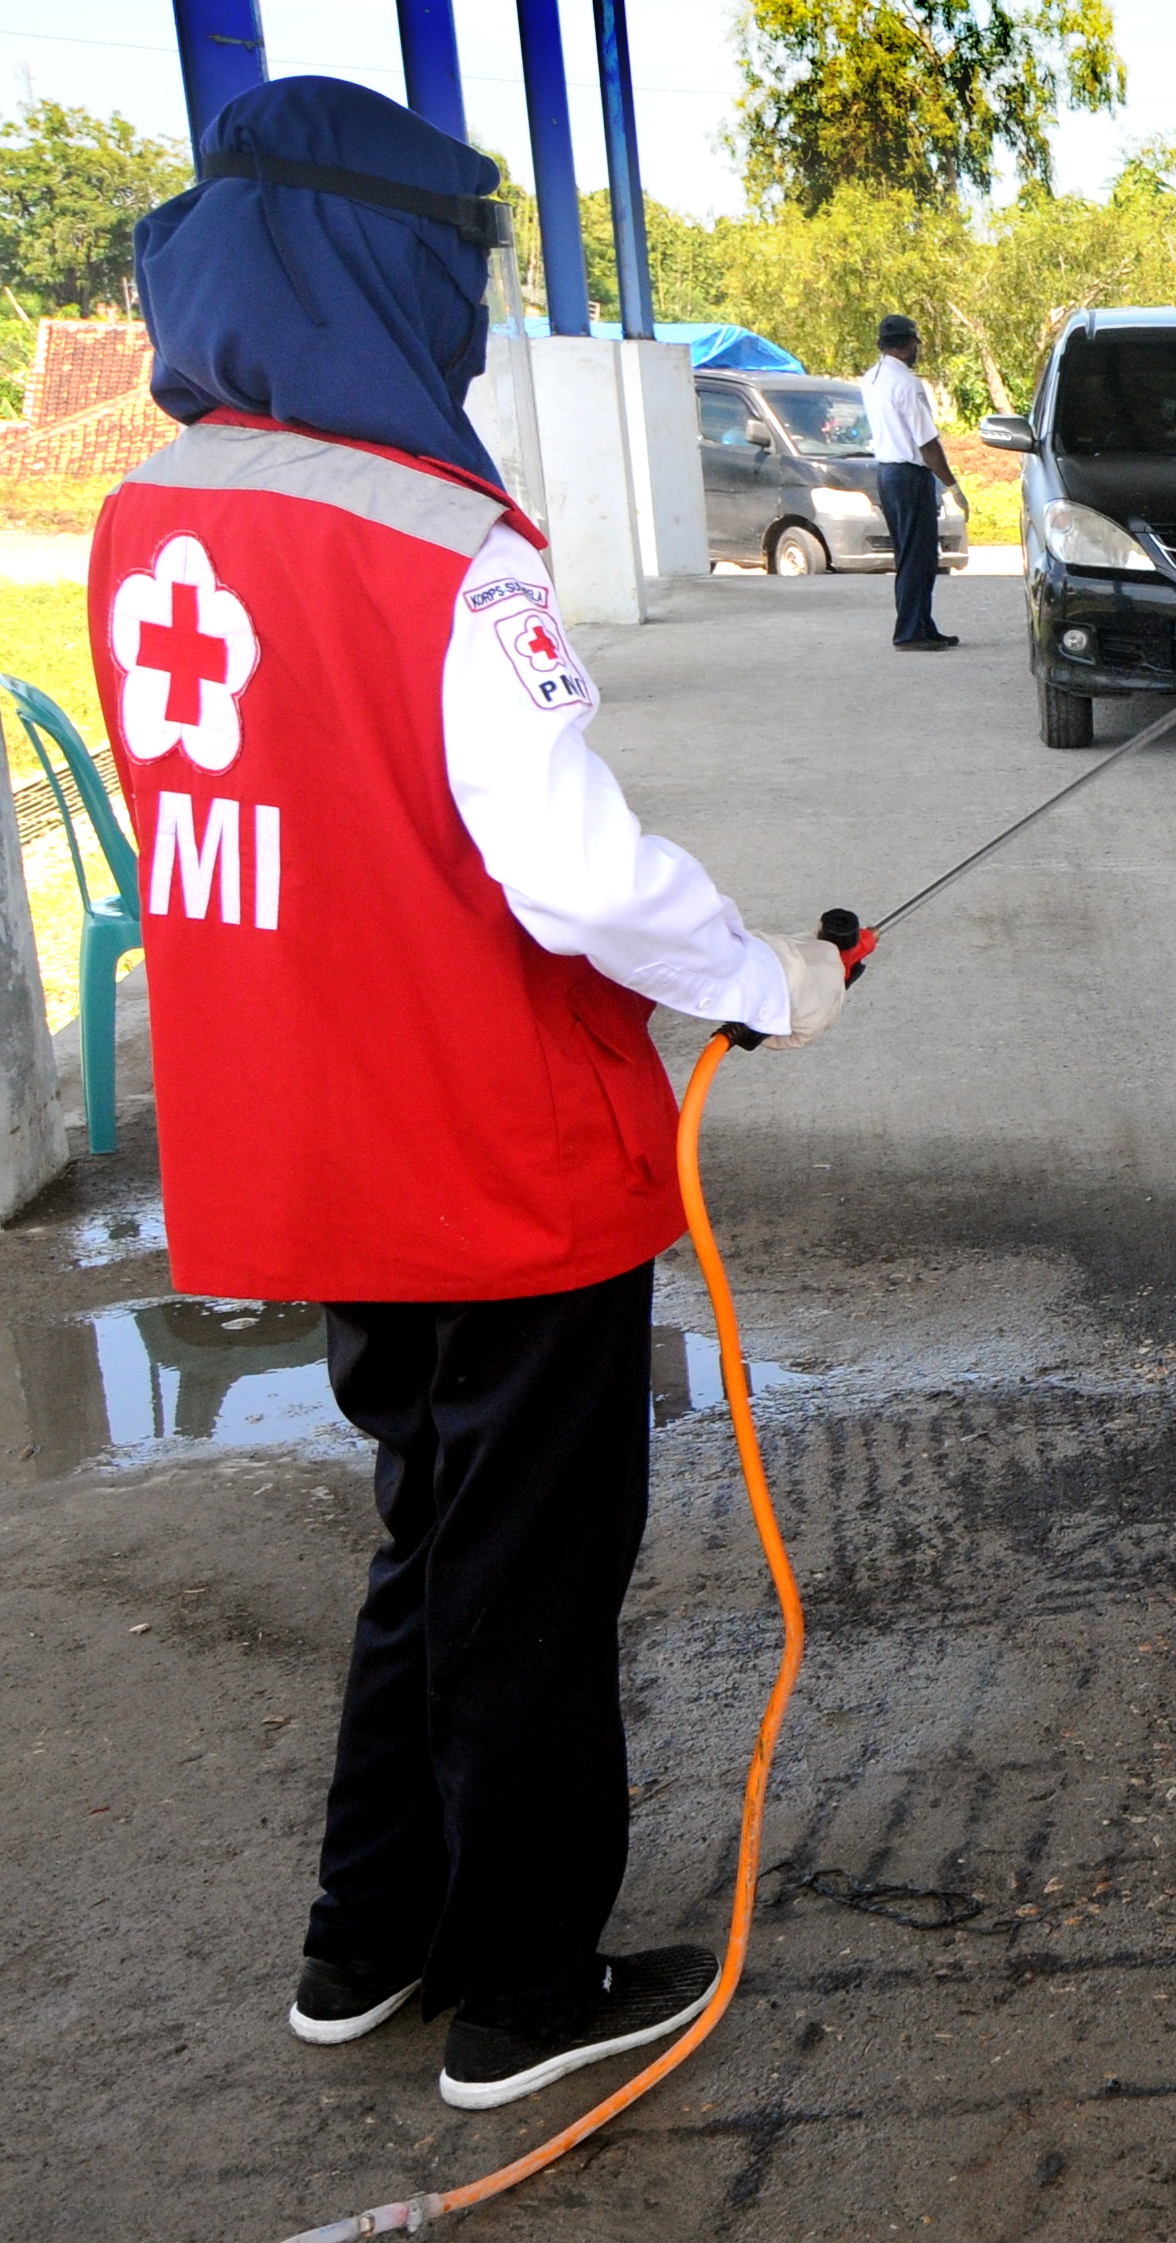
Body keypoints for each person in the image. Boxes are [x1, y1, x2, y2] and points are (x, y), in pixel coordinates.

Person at [97, 78, 858, 2111]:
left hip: (310, 1149)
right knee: (527, 1573)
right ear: (373, 268)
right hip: (491, 1158)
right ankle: (524, 1985)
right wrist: (766, 980)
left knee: (426, 1531)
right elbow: (574, 875)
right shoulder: (438, 543)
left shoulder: (155, 513)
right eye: (457, 272)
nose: (469, 319)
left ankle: (365, 1939)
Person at [864, 314, 956, 651]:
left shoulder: (871, 378)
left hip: (887, 473)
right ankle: (910, 631)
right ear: (909, 345)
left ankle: (922, 624)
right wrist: (952, 485)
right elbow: (927, 443)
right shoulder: (907, 383)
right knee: (920, 556)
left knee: (908, 553)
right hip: (910, 474)